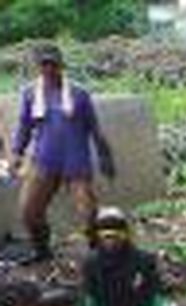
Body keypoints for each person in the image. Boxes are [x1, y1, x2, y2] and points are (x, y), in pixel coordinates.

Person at [9, 43, 115, 261]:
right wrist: (16, 155)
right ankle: (42, 250)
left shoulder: (79, 94)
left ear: (61, 66)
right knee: (29, 211)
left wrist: (105, 157)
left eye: (53, 65)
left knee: (88, 211)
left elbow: (94, 128)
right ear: (38, 68)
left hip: (76, 162)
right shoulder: (31, 94)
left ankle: (98, 254)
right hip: (44, 161)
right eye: (44, 65)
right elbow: (24, 126)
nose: (48, 69)